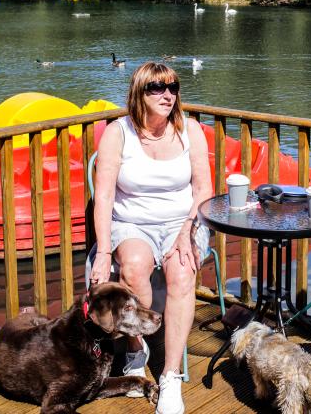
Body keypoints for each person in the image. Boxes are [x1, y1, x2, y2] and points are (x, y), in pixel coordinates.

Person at [90, 61, 212, 414]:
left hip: (184, 222)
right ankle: (134, 347)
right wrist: (101, 254)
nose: (167, 94)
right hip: (132, 224)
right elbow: (106, 197)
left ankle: (171, 377)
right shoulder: (118, 133)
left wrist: (187, 231)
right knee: (133, 265)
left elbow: (204, 189)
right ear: (138, 94)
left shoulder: (191, 131)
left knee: (182, 272)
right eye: (156, 88)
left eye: (172, 87)